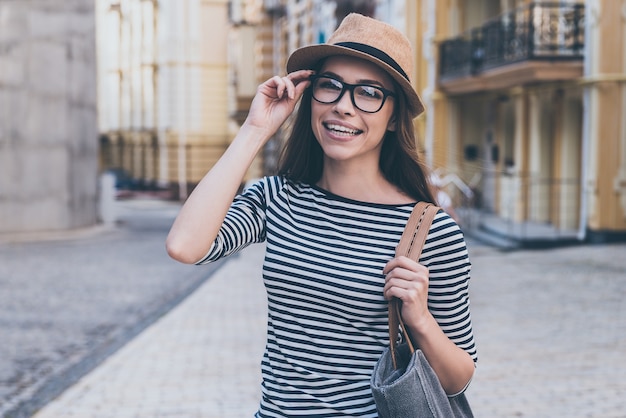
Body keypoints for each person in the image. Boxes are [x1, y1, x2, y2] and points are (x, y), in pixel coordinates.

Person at [166, 13, 476, 417]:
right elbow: (185, 246)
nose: (344, 107)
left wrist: (419, 318)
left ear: (395, 115)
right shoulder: (277, 200)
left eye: (368, 93)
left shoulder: (431, 231)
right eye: (330, 87)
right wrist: (256, 130)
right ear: (310, 96)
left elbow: (459, 378)